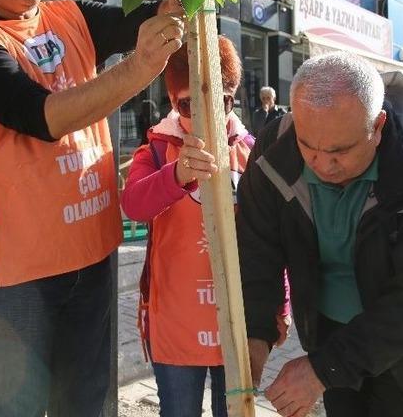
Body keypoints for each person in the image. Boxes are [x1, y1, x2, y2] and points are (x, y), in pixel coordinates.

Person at [0, 0, 184, 415]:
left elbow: (142, 17)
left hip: (91, 248)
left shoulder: (70, 15)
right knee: (20, 403)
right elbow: (44, 117)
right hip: (15, 264)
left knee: (87, 399)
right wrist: (142, 66)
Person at [236, 52, 403, 417]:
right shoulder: (273, 151)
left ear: (378, 126)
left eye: (341, 151)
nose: (323, 164)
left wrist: (322, 370)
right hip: (328, 332)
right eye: (308, 145)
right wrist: (255, 333)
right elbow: (256, 251)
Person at [121, 36, 289, 416]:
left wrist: (282, 301)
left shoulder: (251, 150)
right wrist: (176, 175)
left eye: (220, 99)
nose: (204, 112)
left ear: (232, 98)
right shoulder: (158, 149)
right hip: (176, 320)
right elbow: (132, 204)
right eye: (187, 103)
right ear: (171, 101)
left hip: (236, 317)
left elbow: (273, 237)